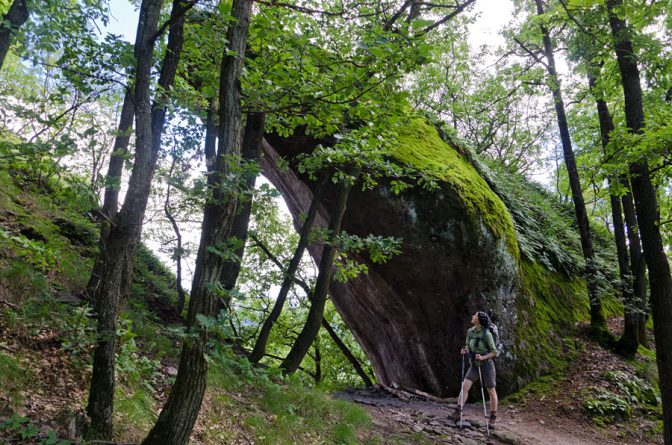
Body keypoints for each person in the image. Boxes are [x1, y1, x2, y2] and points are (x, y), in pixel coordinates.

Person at [450, 311, 499, 427]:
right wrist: (465, 350)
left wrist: (483, 357)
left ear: (479, 320)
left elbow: (494, 352)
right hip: (475, 365)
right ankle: (458, 411)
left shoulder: (487, 334)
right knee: (465, 386)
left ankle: (492, 417)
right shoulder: (470, 332)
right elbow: (468, 346)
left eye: (475, 316)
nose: (473, 317)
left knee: (491, 391)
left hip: (487, 364)